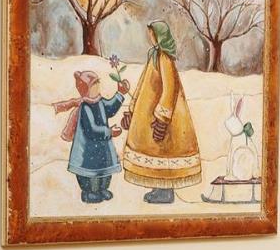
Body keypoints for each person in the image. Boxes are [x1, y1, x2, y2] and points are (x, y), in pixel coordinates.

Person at [120, 20, 202, 203]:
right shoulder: (154, 55)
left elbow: (170, 88)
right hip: (149, 113)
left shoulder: (165, 58)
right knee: (156, 151)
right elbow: (143, 85)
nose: (149, 37)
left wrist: (162, 119)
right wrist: (132, 112)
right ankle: (159, 188)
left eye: (151, 33)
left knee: (164, 149)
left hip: (164, 116)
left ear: (159, 35)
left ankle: (165, 192)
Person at [53, 69, 128, 203]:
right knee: (90, 174)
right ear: (86, 89)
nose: (98, 86)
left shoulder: (99, 101)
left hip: (102, 148)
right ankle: (89, 192)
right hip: (88, 150)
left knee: (104, 171)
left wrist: (120, 94)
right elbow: (92, 130)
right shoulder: (86, 107)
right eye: (94, 84)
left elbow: (110, 108)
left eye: (98, 82)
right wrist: (109, 132)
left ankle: (103, 189)